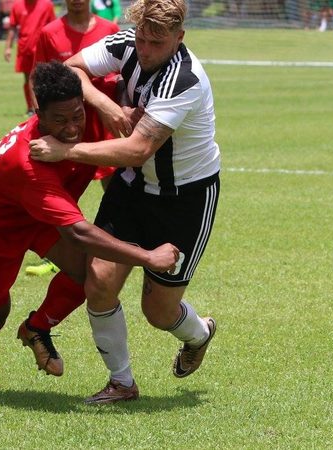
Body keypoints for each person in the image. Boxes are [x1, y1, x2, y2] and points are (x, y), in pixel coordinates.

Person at [30, 0, 221, 404]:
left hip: (184, 199)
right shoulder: (127, 44)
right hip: (133, 188)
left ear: (179, 38)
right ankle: (122, 383)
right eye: (142, 38)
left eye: (157, 41)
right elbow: (70, 68)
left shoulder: (182, 80)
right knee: (98, 281)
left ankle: (200, 333)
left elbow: (136, 149)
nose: (146, 49)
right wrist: (109, 106)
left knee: (159, 313)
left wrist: (67, 151)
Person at [0, 61, 180, 391]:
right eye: (59, 120)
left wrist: (103, 104)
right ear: (37, 114)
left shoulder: (81, 109)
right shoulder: (29, 164)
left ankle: (36, 328)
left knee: (86, 273)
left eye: (77, 116)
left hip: (36, 211)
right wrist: (147, 257)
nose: (72, 127)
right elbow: (78, 233)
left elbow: (78, 68)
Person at [23, 0, 120, 278]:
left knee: (115, 188)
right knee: (59, 190)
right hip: (62, 128)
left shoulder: (109, 29)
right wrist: (40, 120)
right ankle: (58, 253)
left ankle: (117, 247)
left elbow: (117, 76)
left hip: (100, 123)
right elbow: (37, 78)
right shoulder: (49, 32)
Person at [4, 0, 56, 116]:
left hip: (42, 48)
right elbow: (12, 27)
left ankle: (46, 107)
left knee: (46, 79)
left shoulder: (47, 4)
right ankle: (31, 108)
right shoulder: (17, 5)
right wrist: (8, 47)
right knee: (28, 80)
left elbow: (54, 26)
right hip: (25, 48)